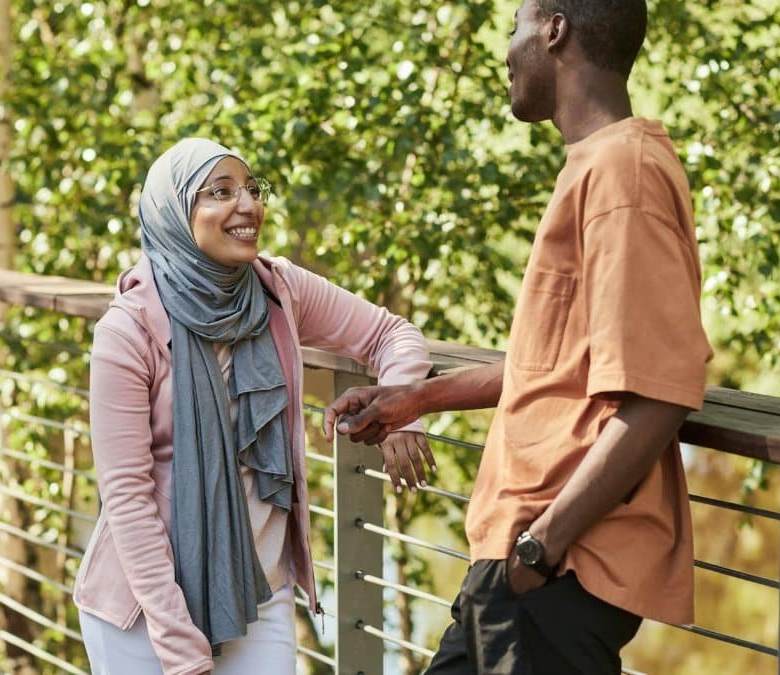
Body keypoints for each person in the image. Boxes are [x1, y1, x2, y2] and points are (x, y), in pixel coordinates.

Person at [323, 1, 712, 673]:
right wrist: (415, 400)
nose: (506, 49)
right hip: (521, 564)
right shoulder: (596, 165)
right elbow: (557, 360)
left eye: (514, 26)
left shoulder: (624, 173)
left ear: (554, 30)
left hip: (555, 567)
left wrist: (539, 550)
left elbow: (659, 395)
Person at [71, 137, 434, 675]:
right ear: (174, 211)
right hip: (146, 610)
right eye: (221, 191)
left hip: (259, 592)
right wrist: (178, 645)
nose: (248, 205)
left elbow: (391, 334)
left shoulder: (276, 290)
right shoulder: (128, 330)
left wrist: (404, 407)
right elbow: (126, 497)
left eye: (252, 189)